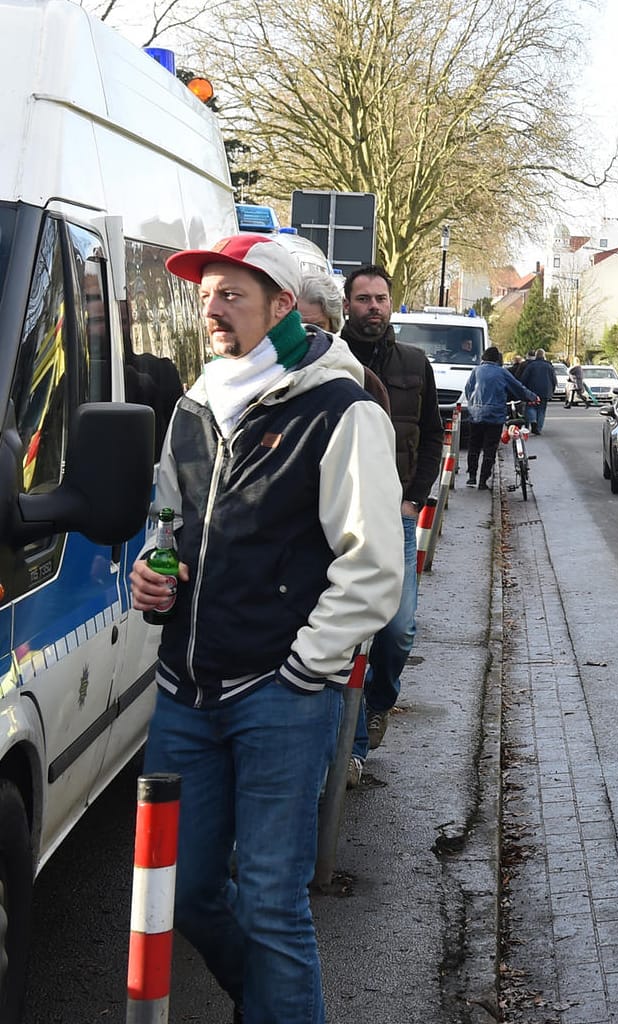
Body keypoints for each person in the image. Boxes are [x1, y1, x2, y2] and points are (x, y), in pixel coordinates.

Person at [131, 233, 404, 1024]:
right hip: (185, 689)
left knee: (274, 906)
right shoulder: (193, 404)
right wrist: (156, 568)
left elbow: (374, 564)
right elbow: (167, 522)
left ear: (283, 306)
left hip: (281, 698)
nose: (212, 309)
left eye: (232, 295)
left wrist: (305, 666)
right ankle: (272, 1003)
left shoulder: (340, 407)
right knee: (182, 889)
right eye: (207, 294)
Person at [340, 265, 445, 783]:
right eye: (363, 299)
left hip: (397, 518)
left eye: (381, 298)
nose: (373, 307)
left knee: (397, 633)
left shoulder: (413, 362)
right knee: (349, 634)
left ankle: (380, 699)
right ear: (347, 305)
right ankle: (353, 747)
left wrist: (414, 500)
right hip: (340, 518)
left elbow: (432, 436)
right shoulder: (327, 363)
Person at [296, 271, 391, 411]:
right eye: (299, 326)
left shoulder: (363, 379)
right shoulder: (269, 377)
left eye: (318, 327)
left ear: (333, 327)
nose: (309, 336)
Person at [462, 346, 540, 487]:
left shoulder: (476, 371)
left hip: (475, 414)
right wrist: (533, 397)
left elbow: (468, 389)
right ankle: (483, 481)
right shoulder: (502, 373)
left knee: (473, 445)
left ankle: (472, 476)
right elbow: (518, 388)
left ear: (483, 358)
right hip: (494, 416)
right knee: (489, 448)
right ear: (497, 359)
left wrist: (474, 404)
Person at [519, 348, 558, 433]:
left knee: (531, 406)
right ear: (544, 356)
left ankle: (533, 421)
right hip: (545, 391)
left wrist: (524, 390)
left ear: (536, 356)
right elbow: (554, 380)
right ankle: (538, 428)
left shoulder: (531, 365)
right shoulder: (549, 366)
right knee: (541, 410)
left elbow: (524, 378)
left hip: (532, 391)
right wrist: (552, 390)